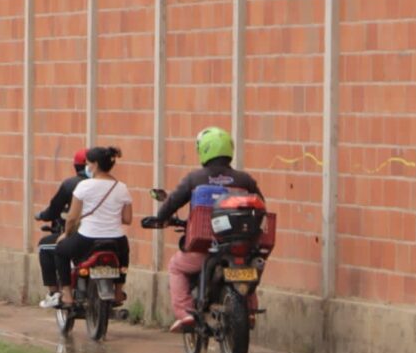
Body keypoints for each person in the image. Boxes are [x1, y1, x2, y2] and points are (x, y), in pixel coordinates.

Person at [147, 126, 263, 333]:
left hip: (205, 247)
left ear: (204, 150)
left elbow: (172, 202)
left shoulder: (195, 179)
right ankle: (250, 310)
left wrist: (160, 218)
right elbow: (261, 205)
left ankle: (184, 313)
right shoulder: (245, 180)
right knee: (245, 270)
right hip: (241, 245)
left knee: (176, 267)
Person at [52, 146, 133, 308]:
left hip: (87, 239)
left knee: (60, 251)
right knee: (123, 261)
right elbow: (127, 219)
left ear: (95, 164)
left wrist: (66, 234)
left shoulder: (84, 186)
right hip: (116, 240)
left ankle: (67, 295)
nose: (87, 167)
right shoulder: (122, 188)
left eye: (88, 163)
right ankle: (118, 291)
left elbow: (72, 218)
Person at [35, 148, 90, 308]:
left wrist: (43, 215)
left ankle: (56, 292)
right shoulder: (113, 185)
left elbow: (56, 209)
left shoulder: (72, 185)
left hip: (82, 236)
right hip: (109, 238)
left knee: (47, 246)